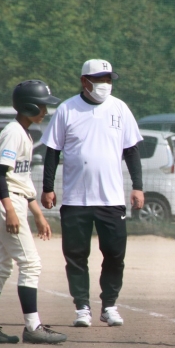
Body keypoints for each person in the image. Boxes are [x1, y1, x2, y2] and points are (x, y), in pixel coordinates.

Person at [40, 59, 144, 328]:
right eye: (99, 79)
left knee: (115, 255)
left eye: (109, 79)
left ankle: (109, 306)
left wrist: (138, 186)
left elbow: (131, 151)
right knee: (76, 256)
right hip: (76, 199)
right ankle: (82, 307)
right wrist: (48, 188)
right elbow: (52, 151)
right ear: (84, 81)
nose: (105, 84)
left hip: (111, 199)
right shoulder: (67, 109)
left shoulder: (120, 108)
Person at [0, 80, 67, 344]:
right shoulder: (14, 133)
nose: (45, 111)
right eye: (42, 106)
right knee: (31, 264)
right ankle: (33, 327)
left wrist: (37, 213)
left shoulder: (24, 133)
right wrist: (10, 210)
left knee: (1, 266)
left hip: (12, 202)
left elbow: (21, 181)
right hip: (7, 203)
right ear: (28, 106)